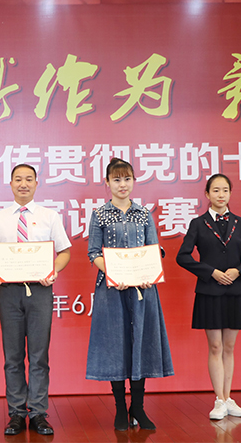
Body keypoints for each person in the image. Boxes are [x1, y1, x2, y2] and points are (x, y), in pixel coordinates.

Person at [0, 164, 71, 436]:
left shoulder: (49, 216)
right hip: (9, 291)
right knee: (13, 356)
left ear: (36, 183)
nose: (23, 184)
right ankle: (17, 414)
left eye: (28, 179)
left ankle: (39, 413)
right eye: (18, 179)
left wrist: (54, 270)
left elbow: (65, 251)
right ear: (10, 184)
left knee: (39, 356)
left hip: (40, 290)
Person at [86, 158, 174, 431]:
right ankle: (120, 409)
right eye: (116, 179)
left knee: (140, 343)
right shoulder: (100, 214)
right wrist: (115, 273)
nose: (122, 185)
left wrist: (150, 271)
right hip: (111, 290)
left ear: (134, 181)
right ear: (107, 183)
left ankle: (138, 406)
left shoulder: (144, 214)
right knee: (116, 345)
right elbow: (93, 253)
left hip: (142, 290)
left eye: (127, 179)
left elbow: (153, 249)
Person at [176, 173, 241, 420]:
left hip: (235, 291)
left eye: (225, 190)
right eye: (215, 190)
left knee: (229, 346)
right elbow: (182, 256)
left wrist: (239, 271)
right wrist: (211, 272)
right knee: (215, 346)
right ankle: (219, 400)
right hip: (210, 291)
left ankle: (228, 398)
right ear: (207, 194)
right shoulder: (198, 224)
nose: (220, 195)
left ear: (230, 193)